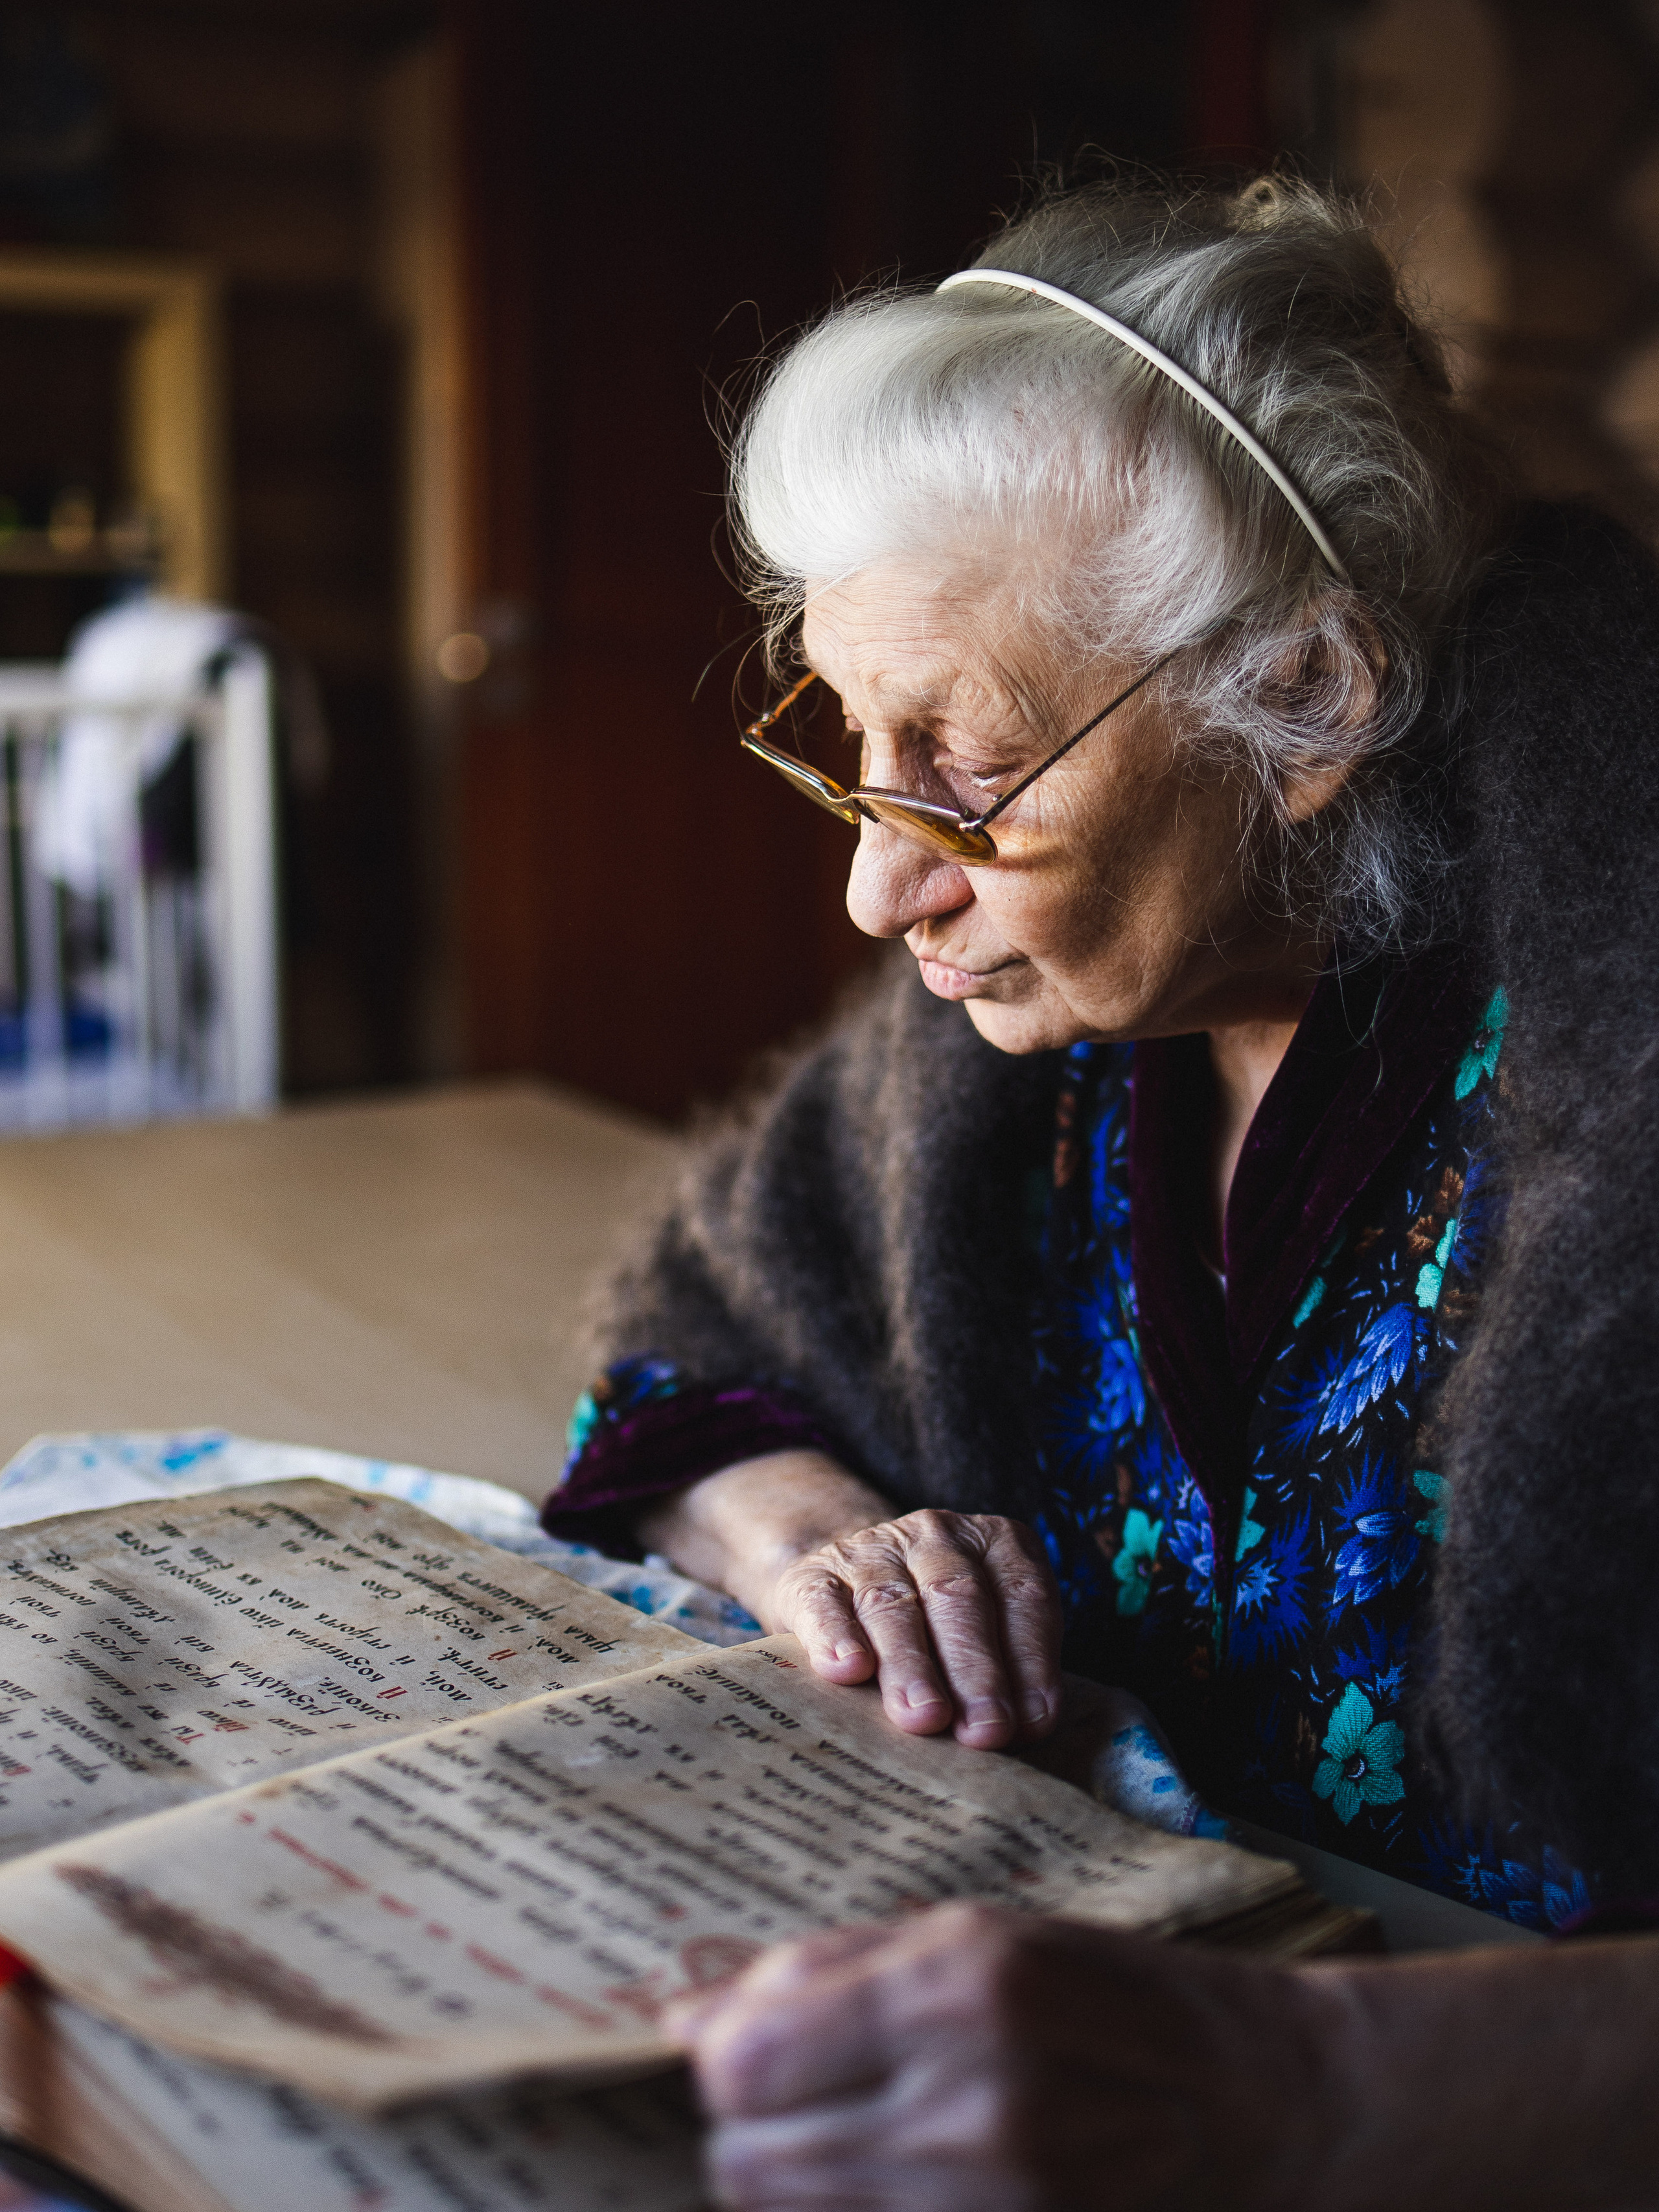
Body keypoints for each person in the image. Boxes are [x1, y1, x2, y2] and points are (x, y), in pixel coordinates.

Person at [545, 174, 1659, 2207]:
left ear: (1307, 703)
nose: (878, 882)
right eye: (848, 742)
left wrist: (1310, 2095)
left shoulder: (1619, 1028)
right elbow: (701, 1351)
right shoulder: (1032, 1020)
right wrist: (814, 1538)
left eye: (958, 772)